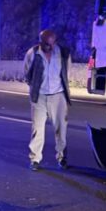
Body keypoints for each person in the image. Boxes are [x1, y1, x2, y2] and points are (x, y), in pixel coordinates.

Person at [23, 29, 71, 171]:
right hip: (40, 96)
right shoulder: (32, 53)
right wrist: (35, 87)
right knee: (37, 129)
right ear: (40, 42)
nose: (48, 47)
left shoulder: (63, 53)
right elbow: (27, 74)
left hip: (58, 95)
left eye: (51, 44)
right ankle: (35, 159)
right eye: (45, 44)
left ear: (54, 42)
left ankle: (62, 158)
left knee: (61, 129)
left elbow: (66, 73)